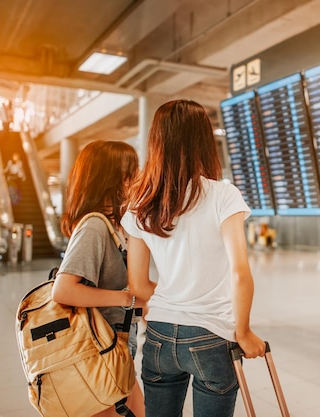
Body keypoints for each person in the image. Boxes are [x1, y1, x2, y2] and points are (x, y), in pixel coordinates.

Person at [121, 99, 265, 417]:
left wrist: (175, 299)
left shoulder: (139, 203)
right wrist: (243, 332)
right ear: (204, 140)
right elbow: (240, 273)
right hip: (211, 335)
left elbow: (138, 283)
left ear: (156, 141)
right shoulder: (223, 196)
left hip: (158, 334)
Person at [51, 140, 145, 417]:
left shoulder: (116, 227)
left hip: (114, 347)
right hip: (98, 351)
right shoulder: (94, 226)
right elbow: (64, 290)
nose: (135, 179)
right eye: (129, 172)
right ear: (110, 179)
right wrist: (125, 297)